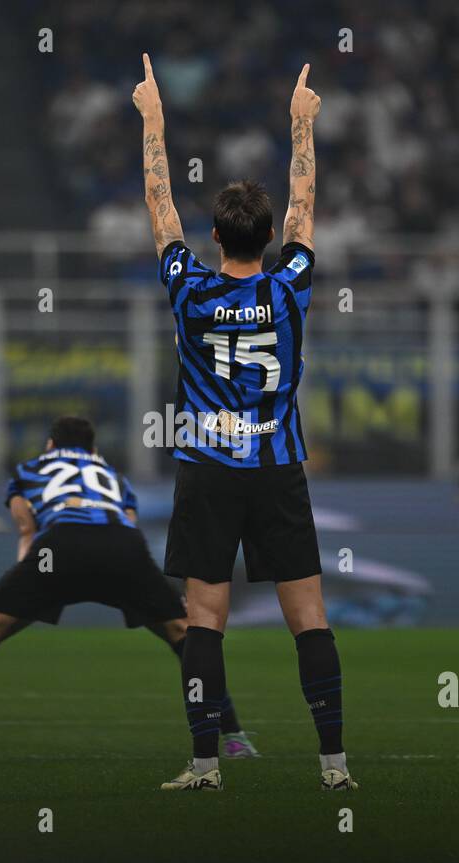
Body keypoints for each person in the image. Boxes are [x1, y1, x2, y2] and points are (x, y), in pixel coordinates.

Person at [133, 54, 357, 791]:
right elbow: (305, 198)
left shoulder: (189, 291)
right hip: (276, 466)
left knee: (204, 616)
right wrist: (302, 124)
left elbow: (159, 205)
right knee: (310, 614)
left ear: (218, 237)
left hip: (209, 467)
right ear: (266, 239)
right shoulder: (291, 287)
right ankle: (333, 766)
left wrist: (153, 123)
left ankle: (204, 765)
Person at [0, 416, 258, 759]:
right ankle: (235, 739)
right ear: (93, 448)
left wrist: (10, 587)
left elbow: (28, 530)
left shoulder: (29, 469)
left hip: (59, 547)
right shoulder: (113, 477)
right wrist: (153, 589)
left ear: (50, 444)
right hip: (123, 549)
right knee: (185, 635)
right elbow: (130, 529)